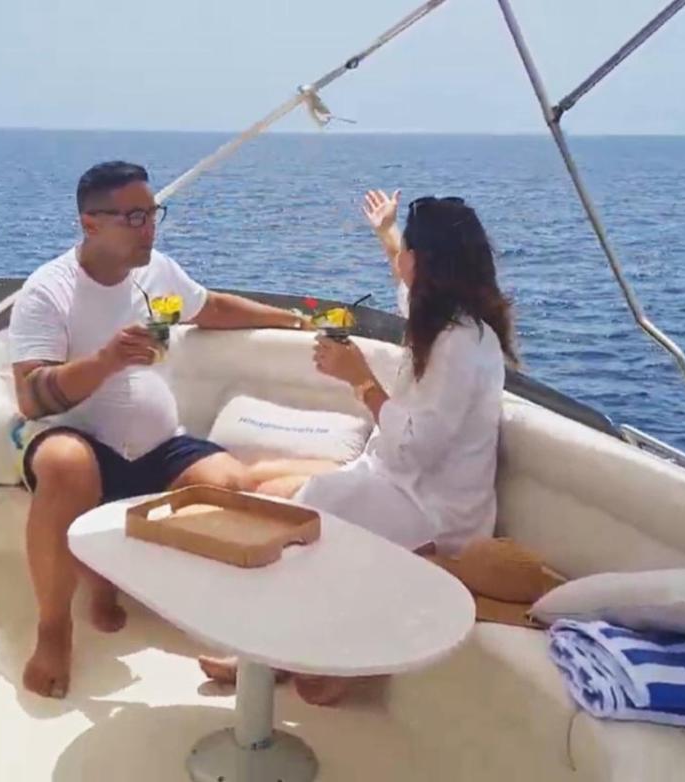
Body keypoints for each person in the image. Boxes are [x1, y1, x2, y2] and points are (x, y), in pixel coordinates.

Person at [201, 189, 518, 705]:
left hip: (435, 509)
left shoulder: (459, 344)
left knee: (298, 516)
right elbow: (401, 274)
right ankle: (279, 645)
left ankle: (282, 652)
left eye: (408, 250)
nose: (401, 259)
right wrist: (387, 230)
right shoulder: (439, 314)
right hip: (398, 481)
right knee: (274, 496)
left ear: (428, 263)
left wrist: (361, 379)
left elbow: (416, 449)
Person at [9, 161, 311, 698]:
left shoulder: (160, 273)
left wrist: (291, 319)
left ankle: (204, 613)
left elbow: (211, 308)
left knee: (232, 485)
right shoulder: (47, 291)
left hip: (158, 445)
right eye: (134, 217)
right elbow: (31, 396)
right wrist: (105, 361)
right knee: (65, 465)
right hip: (79, 440)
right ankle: (54, 629)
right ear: (90, 223)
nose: (149, 227)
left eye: (152, 213)